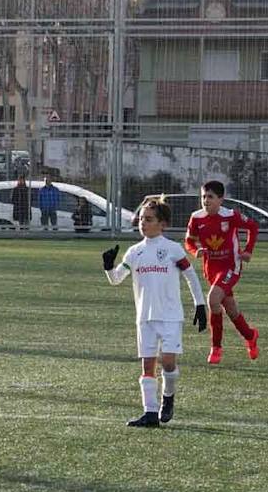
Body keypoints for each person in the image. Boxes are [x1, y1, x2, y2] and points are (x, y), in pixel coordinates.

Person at [102, 197, 208, 427]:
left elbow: (190, 275)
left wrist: (200, 304)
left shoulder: (172, 249)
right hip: (144, 317)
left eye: (149, 219)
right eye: (141, 219)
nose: (143, 223)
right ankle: (150, 413)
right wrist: (109, 267)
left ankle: (168, 397)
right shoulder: (134, 252)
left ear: (163, 224)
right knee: (147, 365)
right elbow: (117, 279)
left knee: (168, 362)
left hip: (170, 315)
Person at [184, 179, 260, 365]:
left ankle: (216, 348)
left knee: (212, 300)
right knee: (231, 309)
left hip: (230, 267)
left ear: (221, 199)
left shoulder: (230, 216)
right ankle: (250, 336)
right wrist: (196, 251)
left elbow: (253, 227)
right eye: (203, 197)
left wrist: (248, 250)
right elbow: (189, 241)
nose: (206, 200)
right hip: (211, 269)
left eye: (210, 197)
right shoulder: (196, 218)